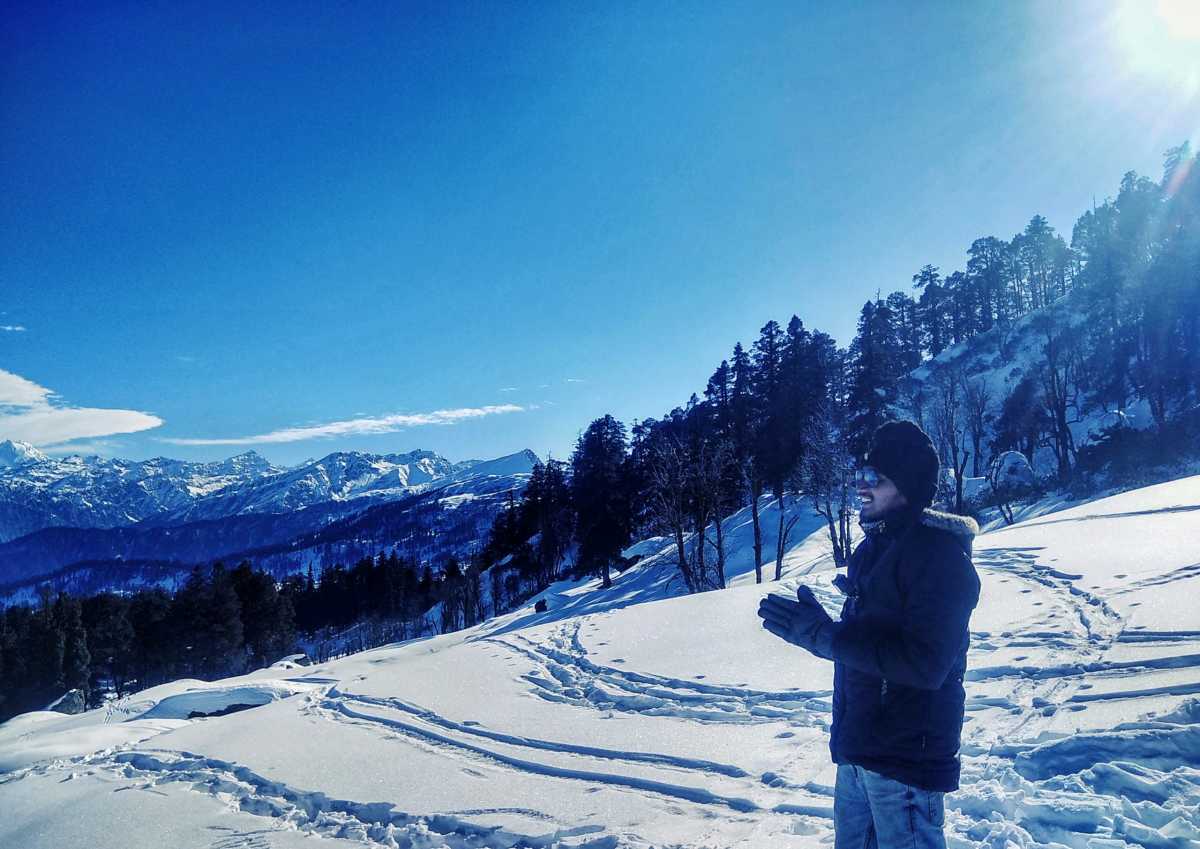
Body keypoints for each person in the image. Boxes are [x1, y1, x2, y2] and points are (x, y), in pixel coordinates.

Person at [758, 420, 980, 849]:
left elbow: (925, 665)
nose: (861, 485)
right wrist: (827, 630)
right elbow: (871, 643)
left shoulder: (940, 559)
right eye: (859, 473)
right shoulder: (872, 550)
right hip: (859, 749)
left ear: (908, 485)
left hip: (905, 760)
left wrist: (826, 638)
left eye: (875, 476)